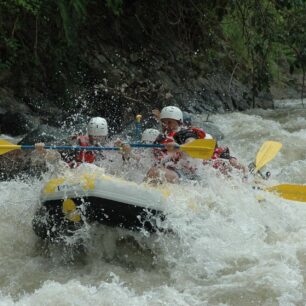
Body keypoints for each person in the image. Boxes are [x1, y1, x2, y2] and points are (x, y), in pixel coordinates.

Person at [146, 106, 205, 184]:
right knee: (152, 171)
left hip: (187, 176)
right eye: (164, 122)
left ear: (179, 122)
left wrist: (179, 148)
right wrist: (129, 153)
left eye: (170, 122)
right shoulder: (160, 139)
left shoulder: (185, 133)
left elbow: (191, 143)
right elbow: (148, 159)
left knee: (155, 172)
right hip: (169, 172)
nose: (166, 125)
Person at [34, 117, 109, 168]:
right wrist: (43, 150)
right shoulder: (75, 143)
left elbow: (108, 164)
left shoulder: (99, 148)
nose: (98, 141)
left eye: (101, 138)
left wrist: (121, 152)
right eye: (94, 137)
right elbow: (54, 153)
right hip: (69, 172)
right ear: (89, 135)